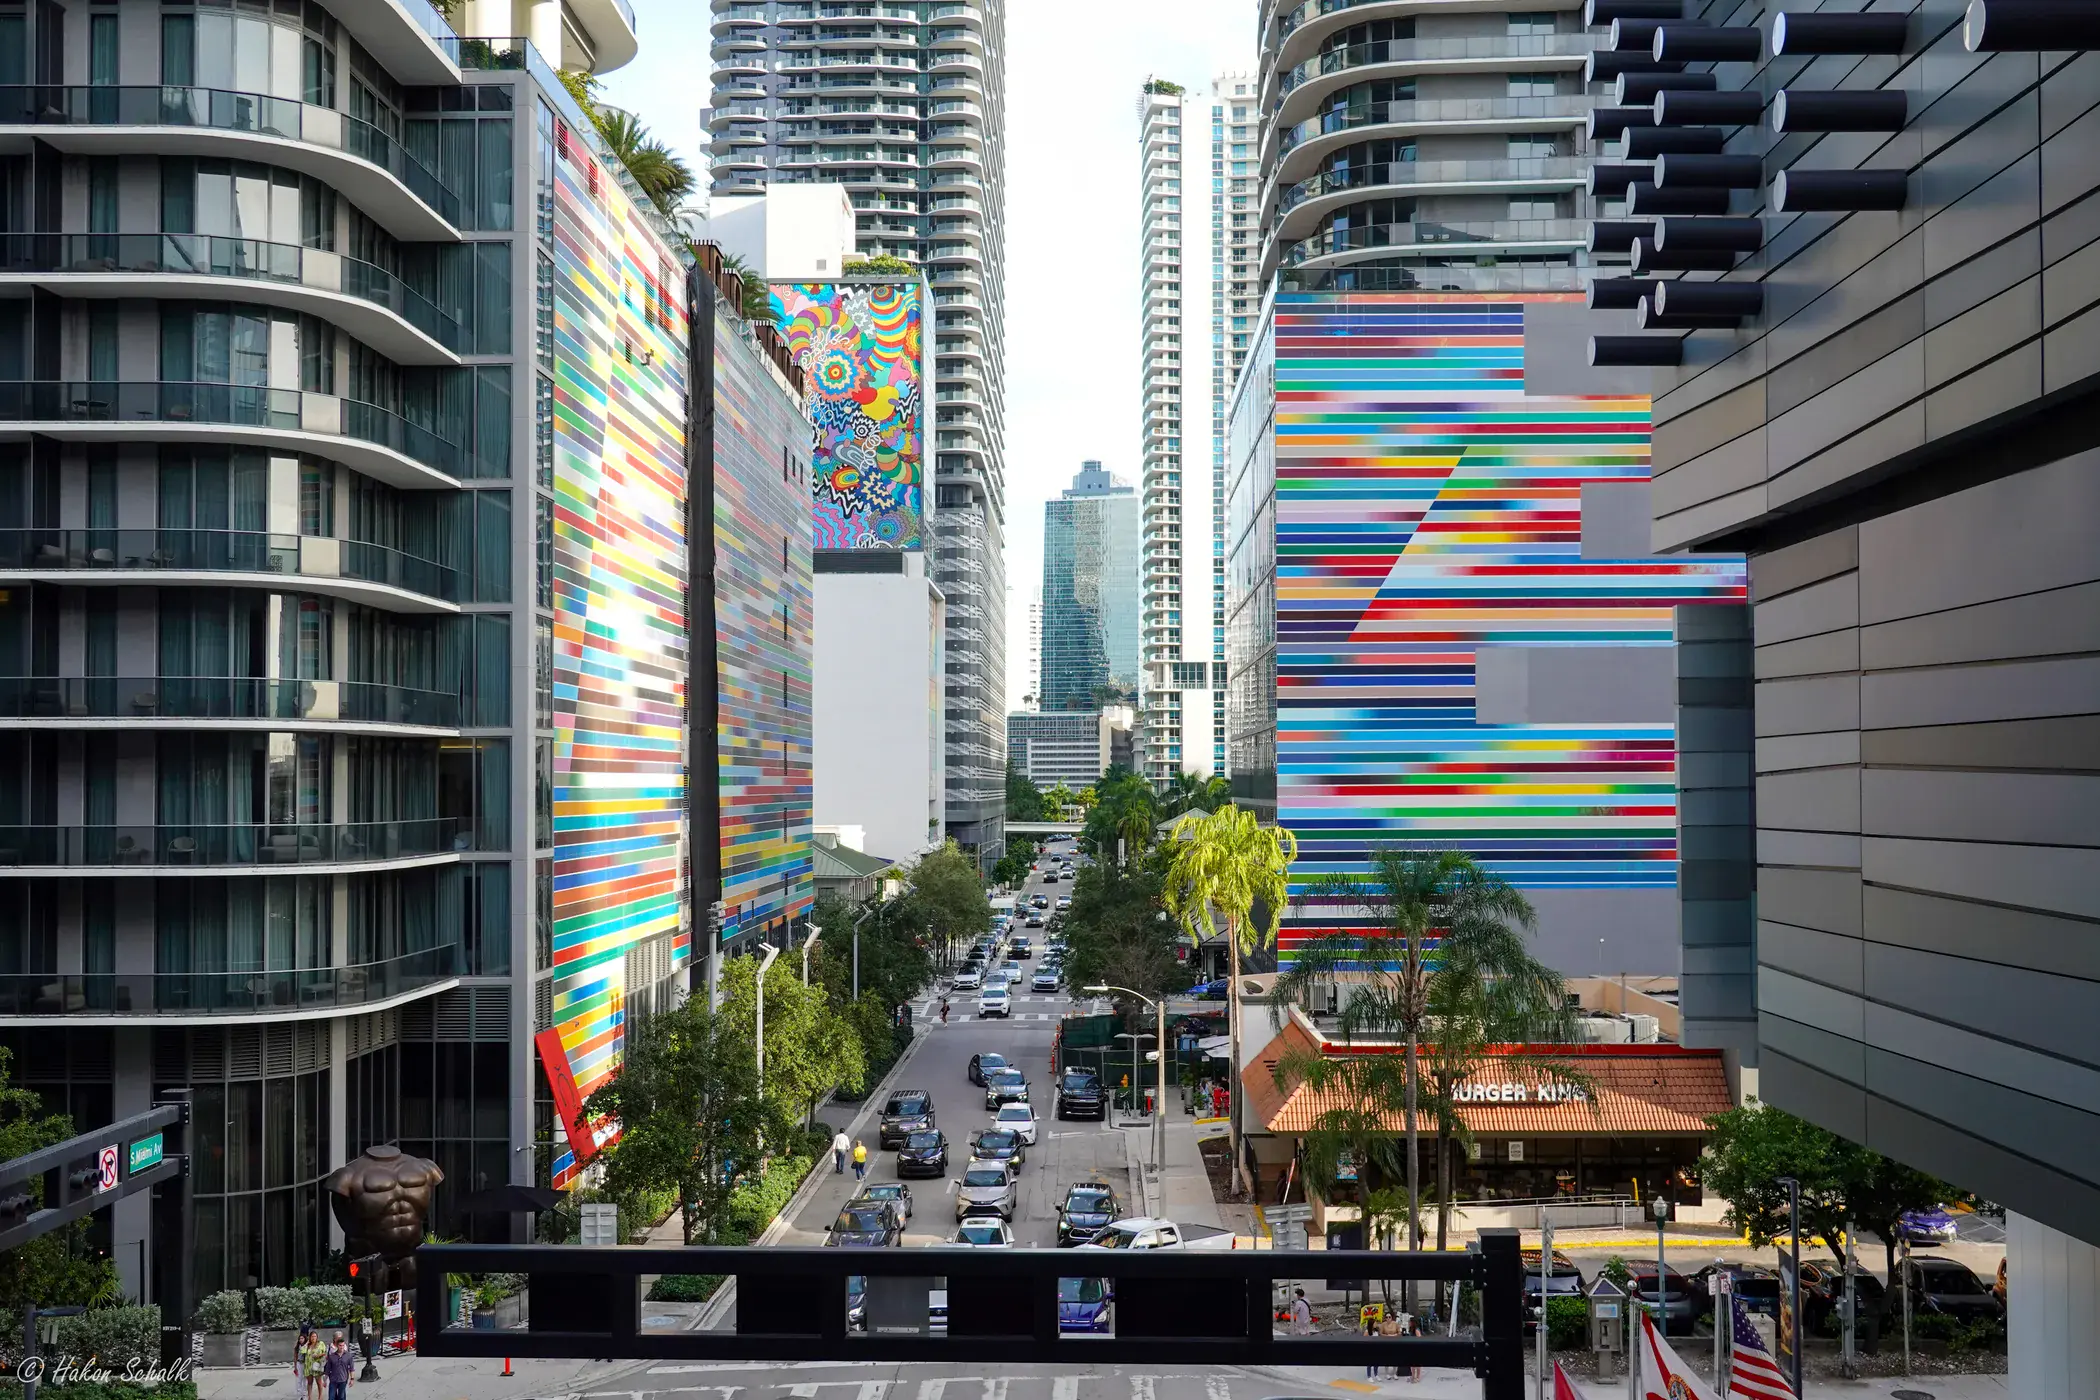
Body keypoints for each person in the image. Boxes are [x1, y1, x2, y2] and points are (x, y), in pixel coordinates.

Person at [295, 1322, 327, 1400]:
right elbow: (301, 1351)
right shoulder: (308, 1345)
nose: (313, 1338)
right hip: (308, 1367)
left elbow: (325, 1353)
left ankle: (320, 1397)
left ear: (317, 1337)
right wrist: (307, 1343)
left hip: (317, 1366)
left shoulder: (321, 1343)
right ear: (309, 1337)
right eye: (312, 1336)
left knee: (319, 1383)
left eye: (315, 1336)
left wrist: (318, 1356)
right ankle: (310, 1397)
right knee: (309, 1383)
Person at [323, 1333, 355, 1400]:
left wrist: (352, 1379)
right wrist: (325, 1380)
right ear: (337, 1346)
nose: (342, 1347)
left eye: (343, 1345)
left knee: (341, 1397)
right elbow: (327, 1370)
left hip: (343, 1379)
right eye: (340, 1345)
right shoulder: (332, 1356)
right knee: (331, 1397)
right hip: (333, 1380)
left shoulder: (348, 1355)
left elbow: (352, 1368)